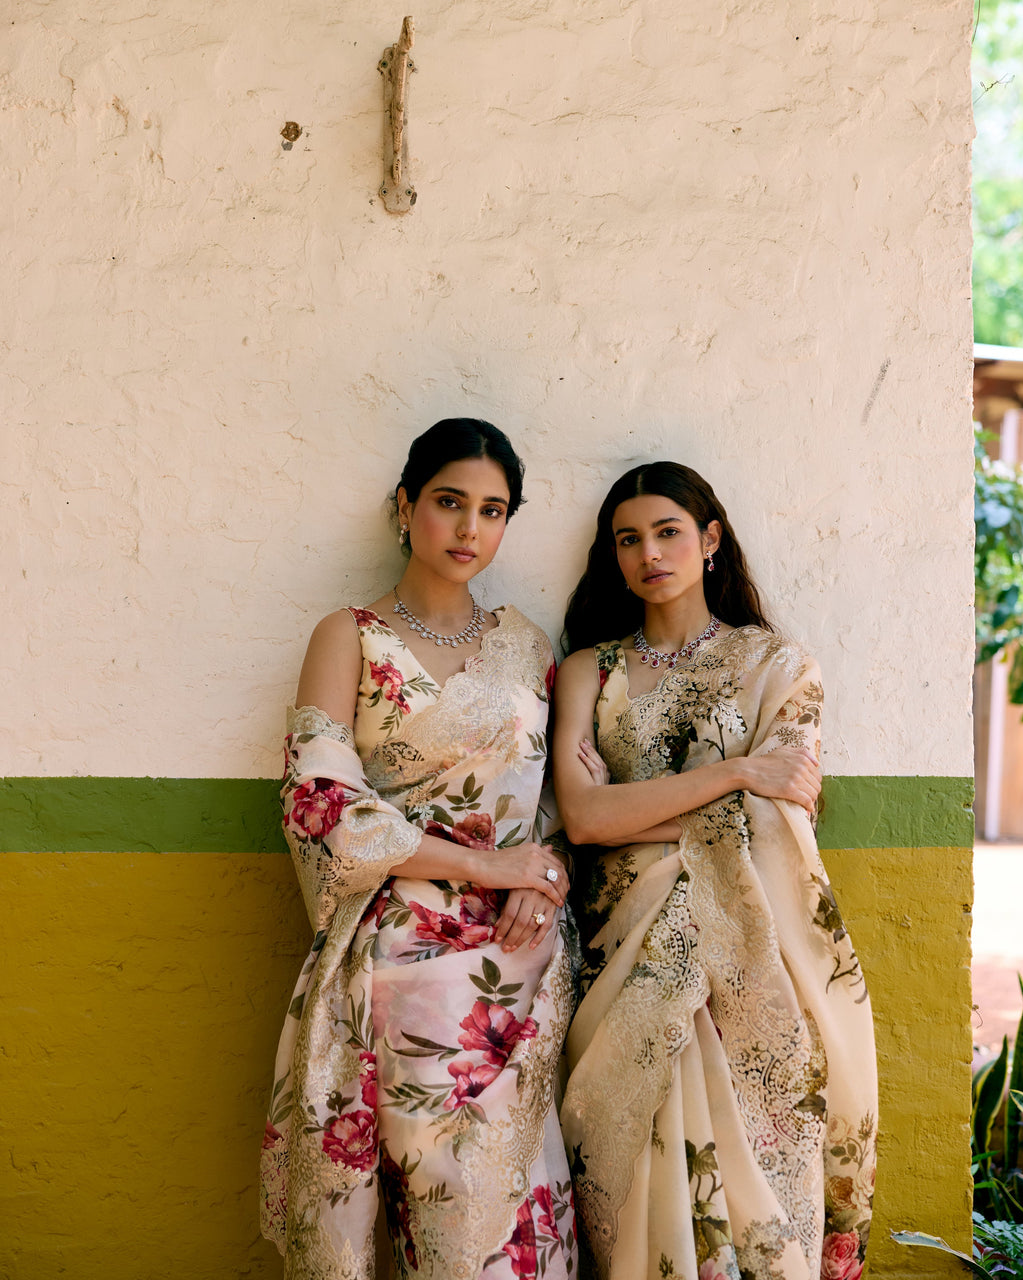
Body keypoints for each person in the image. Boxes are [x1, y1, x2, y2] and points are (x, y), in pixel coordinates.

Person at [260, 419, 578, 1280]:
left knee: (524, 1217)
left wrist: (539, 879)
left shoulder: (527, 646)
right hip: (403, 959)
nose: (470, 529)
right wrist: (484, 865)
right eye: (449, 502)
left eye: (493, 509)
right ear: (405, 507)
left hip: (524, 964)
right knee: (450, 1223)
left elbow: (554, 809)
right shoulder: (351, 636)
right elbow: (322, 803)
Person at [553, 462, 876, 1280]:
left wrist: (637, 811)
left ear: (710, 540)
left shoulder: (777, 667)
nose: (648, 554)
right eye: (628, 540)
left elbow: (779, 823)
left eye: (667, 532)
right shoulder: (591, 669)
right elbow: (585, 820)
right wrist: (733, 776)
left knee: (759, 1190)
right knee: (633, 1180)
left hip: (749, 962)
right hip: (619, 957)